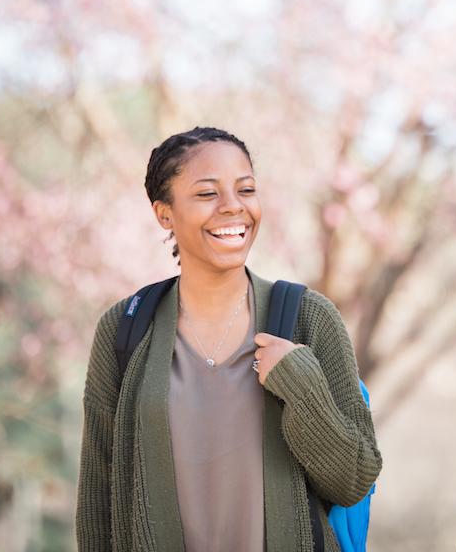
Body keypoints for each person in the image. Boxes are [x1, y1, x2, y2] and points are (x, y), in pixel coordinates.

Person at [76, 126, 382, 552]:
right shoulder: (125, 328)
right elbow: (98, 493)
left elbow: (354, 478)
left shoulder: (308, 319)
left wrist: (301, 386)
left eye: (246, 189)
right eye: (207, 194)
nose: (233, 207)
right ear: (164, 214)